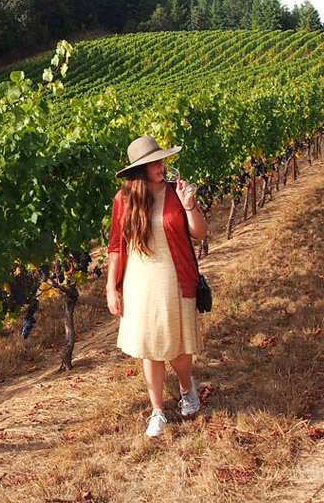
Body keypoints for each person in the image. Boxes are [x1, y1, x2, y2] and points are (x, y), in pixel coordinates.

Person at [106, 135, 208, 438]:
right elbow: (115, 247)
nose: (162, 166)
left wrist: (190, 207)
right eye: (155, 163)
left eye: (162, 160)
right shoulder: (122, 200)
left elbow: (200, 234)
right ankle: (158, 410)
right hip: (140, 282)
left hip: (175, 277)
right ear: (140, 169)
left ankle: (187, 387)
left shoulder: (176, 193)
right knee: (150, 349)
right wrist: (112, 287)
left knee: (176, 347)